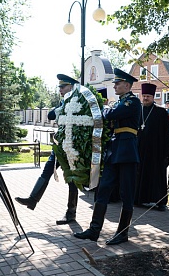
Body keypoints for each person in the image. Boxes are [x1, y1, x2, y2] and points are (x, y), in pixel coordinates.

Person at [73, 68, 141, 245]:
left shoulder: (132, 102)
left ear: (127, 85)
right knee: (102, 190)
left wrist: (105, 110)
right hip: (114, 150)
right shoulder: (120, 101)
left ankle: (123, 233)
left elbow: (111, 115)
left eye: (118, 83)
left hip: (127, 151)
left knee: (127, 193)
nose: (115, 86)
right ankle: (94, 230)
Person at [15, 74, 80, 225]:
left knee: (72, 179)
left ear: (71, 87)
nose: (60, 90)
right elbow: (51, 115)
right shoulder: (63, 103)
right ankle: (32, 200)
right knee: (47, 170)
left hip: (71, 146)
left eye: (63, 87)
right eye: (59, 87)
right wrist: (62, 105)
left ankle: (71, 213)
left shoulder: (79, 102)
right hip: (59, 145)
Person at [134, 83, 169, 211]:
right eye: (144, 96)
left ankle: (160, 201)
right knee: (139, 175)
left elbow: (166, 134)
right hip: (139, 149)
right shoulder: (137, 110)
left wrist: (167, 153)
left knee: (157, 175)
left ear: (153, 97)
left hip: (156, 151)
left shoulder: (161, 112)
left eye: (148, 96)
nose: (145, 98)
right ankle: (139, 199)